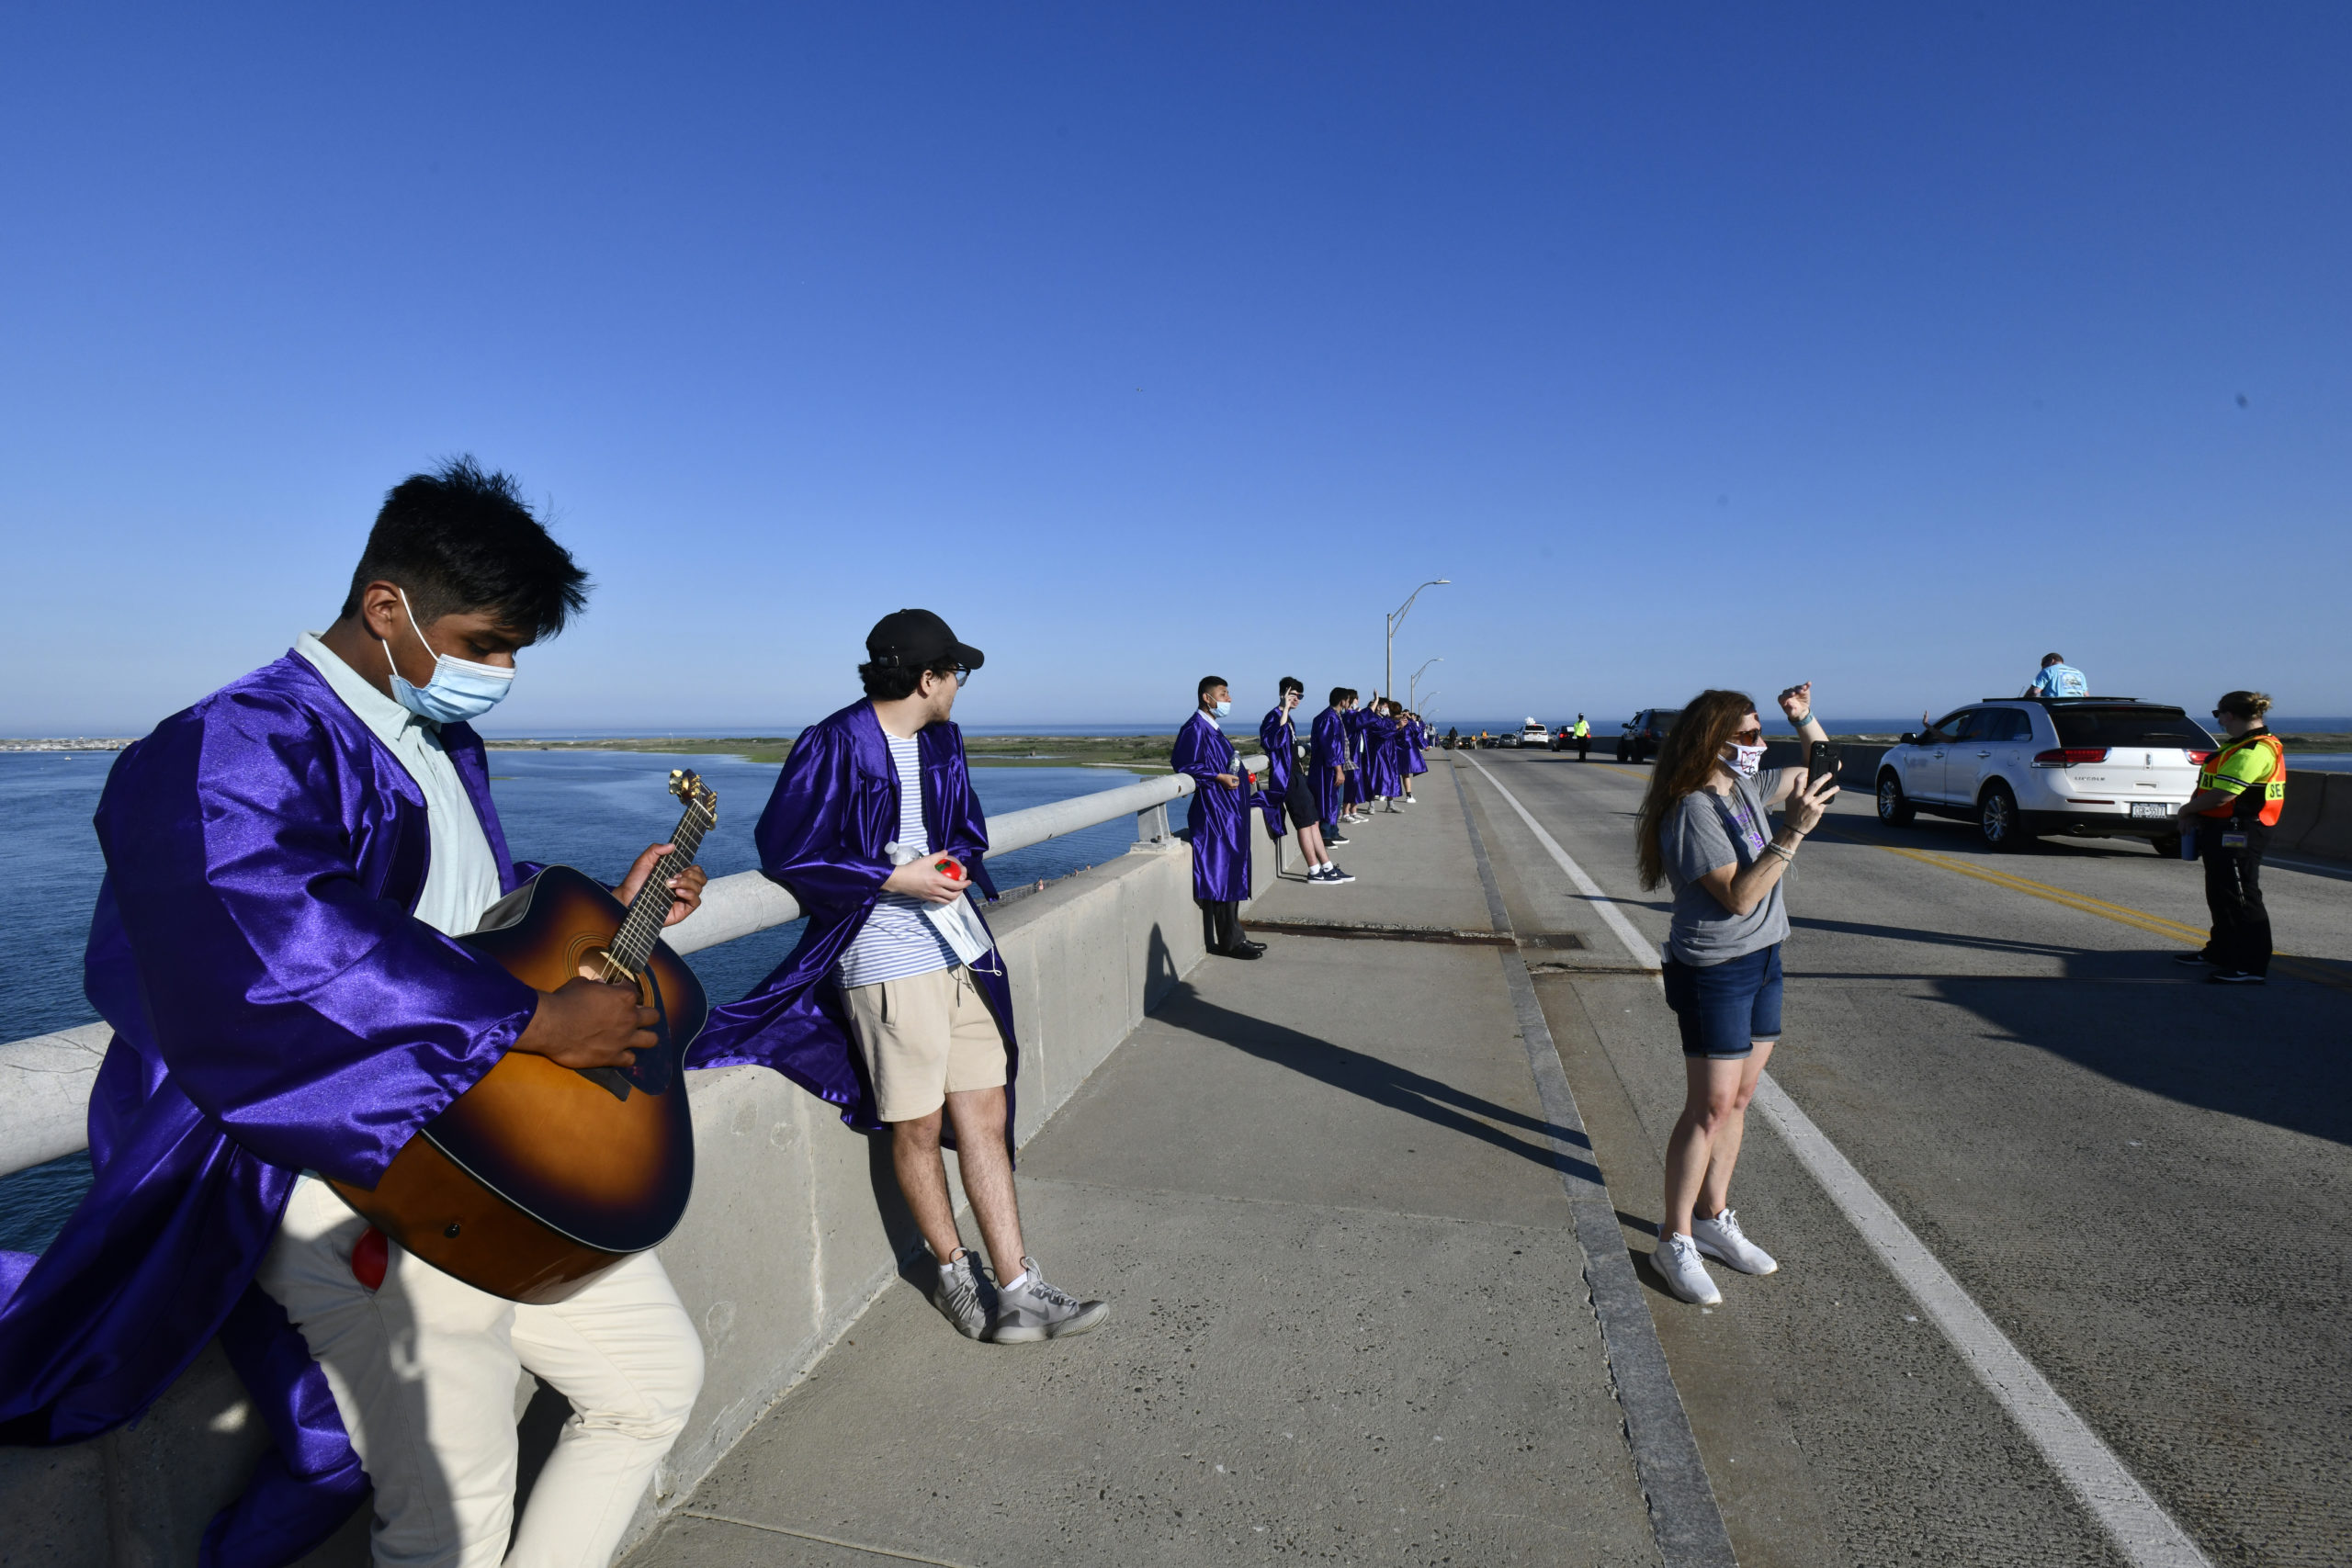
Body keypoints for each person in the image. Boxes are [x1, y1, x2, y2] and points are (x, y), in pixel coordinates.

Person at [0, 459, 710, 1567]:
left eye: (516, 649)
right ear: (388, 606)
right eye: (484, 643)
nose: (502, 671)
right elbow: (275, 942)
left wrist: (613, 913)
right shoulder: (231, 744)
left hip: (495, 1140)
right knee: (449, 1520)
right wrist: (526, 1024)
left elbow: (459, 910)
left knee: (653, 1388)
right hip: (354, 1159)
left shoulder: (434, 737)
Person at [690, 610, 1106, 1344]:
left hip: (959, 950)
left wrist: (950, 864)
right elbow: (787, 848)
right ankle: (954, 1275)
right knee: (915, 1123)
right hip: (883, 959)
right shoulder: (834, 742)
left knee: (986, 1113)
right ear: (927, 677)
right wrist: (892, 876)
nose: (959, 687)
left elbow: (966, 830)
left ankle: (1017, 1287)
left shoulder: (942, 740)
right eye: (956, 673)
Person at [1634, 682, 1840, 1307]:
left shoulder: (1744, 785)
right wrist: (1793, 833)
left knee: (1742, 1097)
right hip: (1714, 968)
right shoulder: (1692, 810)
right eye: (1750, 736)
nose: (1761, 744)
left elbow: (1825, 768)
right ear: (1712, 743)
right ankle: (1673, 1238)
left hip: (1765, 956)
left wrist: (1803, 717)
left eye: (1761, 733)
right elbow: (1741, 895)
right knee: (1710, 1106)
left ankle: (1711, 1216)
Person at [2175, 691, 2285, 985]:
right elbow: (2211, 788)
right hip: (2221, 828)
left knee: (2241, 896)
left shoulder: (2255, 751)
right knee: (2221, 893)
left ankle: (2251, 965)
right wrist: (2197, 812)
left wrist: (2186, 810)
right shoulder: (2239, 747)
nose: (2219, 720)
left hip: (2242, 830)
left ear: (2230, 715)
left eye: (2218, 714)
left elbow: (2225, 794)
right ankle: (2221, 951)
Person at [1174, 677, 1267, 955]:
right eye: (1223, 694)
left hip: (1228, 812)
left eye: (1228, 694)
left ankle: (1236, 935)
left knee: (1233, 871)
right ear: (1207, 697)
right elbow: (1184, 764)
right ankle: (1230, 942)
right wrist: (1217, 776)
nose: (1228, 699)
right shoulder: (1194, 728)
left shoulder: (1212, 728)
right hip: (1214, 813)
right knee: (1221, 874)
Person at [1262, 678, 1351, 885]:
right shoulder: (1273, 717)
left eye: (1300, 696)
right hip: (1286, 779)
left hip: (1297, 776)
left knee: (1313, 822)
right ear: (1283, 694)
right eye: (1293, 695)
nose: (1297, 700)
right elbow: (1272, 742)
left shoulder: (1289, 720)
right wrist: (1284, 708)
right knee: (1304, 823)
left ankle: (1327, 867)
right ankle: (1314, 870)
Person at [1312, 689, 1354, 846]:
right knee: (1328, 799)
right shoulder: (1328, 718)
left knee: (1336, 799)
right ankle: (1325, 834)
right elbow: (1330, 746)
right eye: (1348, 700)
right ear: (1342, 701)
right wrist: (1338, 769)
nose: (1349, 704)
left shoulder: (1335, 717)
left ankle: (1333, 831)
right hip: (1328, 768)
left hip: (1335, 765)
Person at [2024, 653, 2089, 698]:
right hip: (2075, 709)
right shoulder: (2079, 673)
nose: (2042, 668)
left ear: (2052, 660)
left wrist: (2024, 702)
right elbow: (2086, 695)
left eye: (2043, 664)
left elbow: (2035, 691)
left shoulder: (2048, 670)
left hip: (2054, 710)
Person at [1400, 707, 1428, 800]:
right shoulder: (1408, 724)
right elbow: (1418, 733)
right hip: (1403, 750)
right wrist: (1424, 745)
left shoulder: (1392, 721)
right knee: (1404, 773)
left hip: (1396, 750)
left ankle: (1408, 795)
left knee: (1404, 773)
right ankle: (1408, 795)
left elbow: (1418, 733)